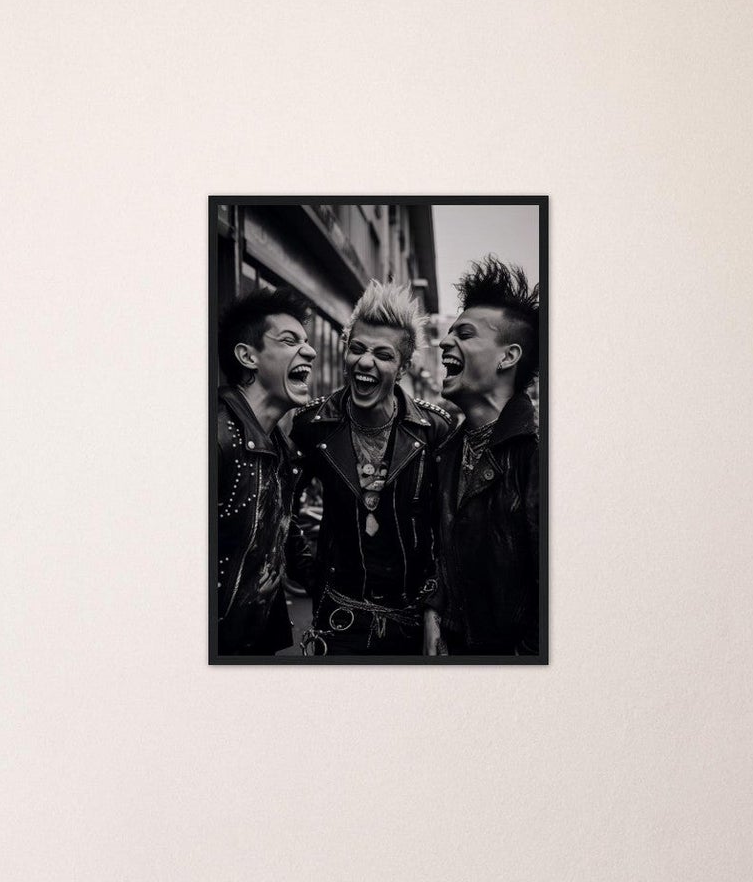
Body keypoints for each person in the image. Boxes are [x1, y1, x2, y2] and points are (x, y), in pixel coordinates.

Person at [291, 281, 452, 656]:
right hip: (338, 621)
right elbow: (281, 510)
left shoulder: (434, 430)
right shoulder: (312, 424)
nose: (365, 362)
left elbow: (449, 527)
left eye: (382, 354)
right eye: (357, 349)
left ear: (404, 367)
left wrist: (434, 602)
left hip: (413, 622)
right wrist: (312, 576)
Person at [434, 256, 542, 657]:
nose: (445, 343)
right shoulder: (446, 451)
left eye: (464, 334)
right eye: (448, 334)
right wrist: (435, 611)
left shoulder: (537, 452)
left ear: (508, 356)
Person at [212, 285, 315, 656]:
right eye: (290, 341)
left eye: (306, 341)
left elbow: (284, 530)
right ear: (247, 356)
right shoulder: (215, 435)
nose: (311, 351)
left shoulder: (280, 448)